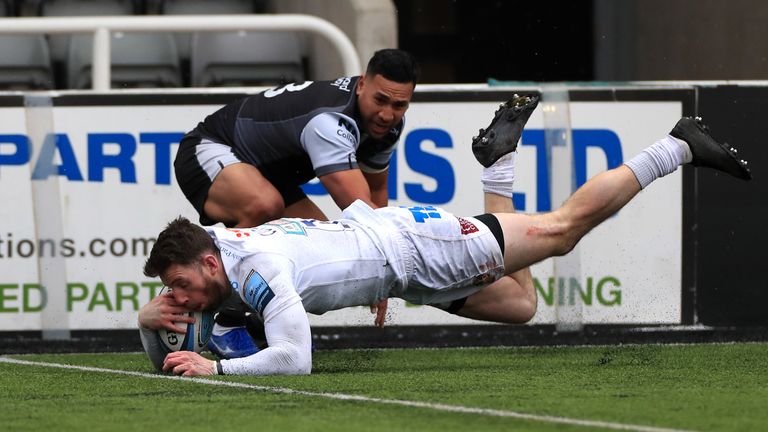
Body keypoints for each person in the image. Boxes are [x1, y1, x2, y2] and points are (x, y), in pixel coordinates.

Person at [138, 109, 751, 376]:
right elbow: (186, 332)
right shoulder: (214, 249)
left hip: (416, 246)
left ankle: (677, 146)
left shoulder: (257, 269)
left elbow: (294, 358)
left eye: (179, 286)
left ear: (210, 260)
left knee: (562, 232)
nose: (180, 299)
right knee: (519, 306)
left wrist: (216, 369)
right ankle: (498, 165)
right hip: (397, 265)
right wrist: (150, 322)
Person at [173, 48, 420, 353]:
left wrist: (381, 270)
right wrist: (388, 264)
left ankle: (262, 322)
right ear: (361, 86)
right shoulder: (330, 122)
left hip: (266, 174)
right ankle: (224, 319)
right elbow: (358, 209)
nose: (387, 114)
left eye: (399, 105)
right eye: (380, 100)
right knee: (264, 205)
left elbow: (376, 195)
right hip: (209, 147)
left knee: (325, 254)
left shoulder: (388, 125)